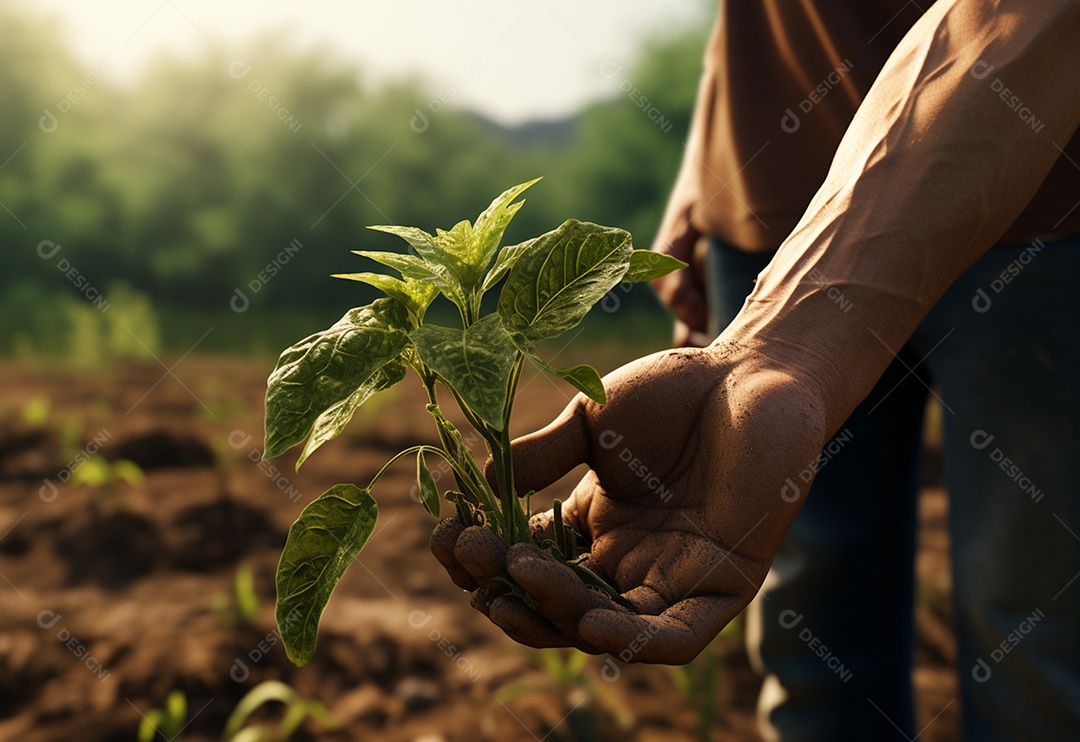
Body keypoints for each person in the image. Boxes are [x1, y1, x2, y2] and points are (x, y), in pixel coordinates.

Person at [431, 0, 1080, 738]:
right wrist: (711, 149)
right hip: (768, 185)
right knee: (808, 633)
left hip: (1045, 211)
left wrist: (770, 345)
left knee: (1032, 631)